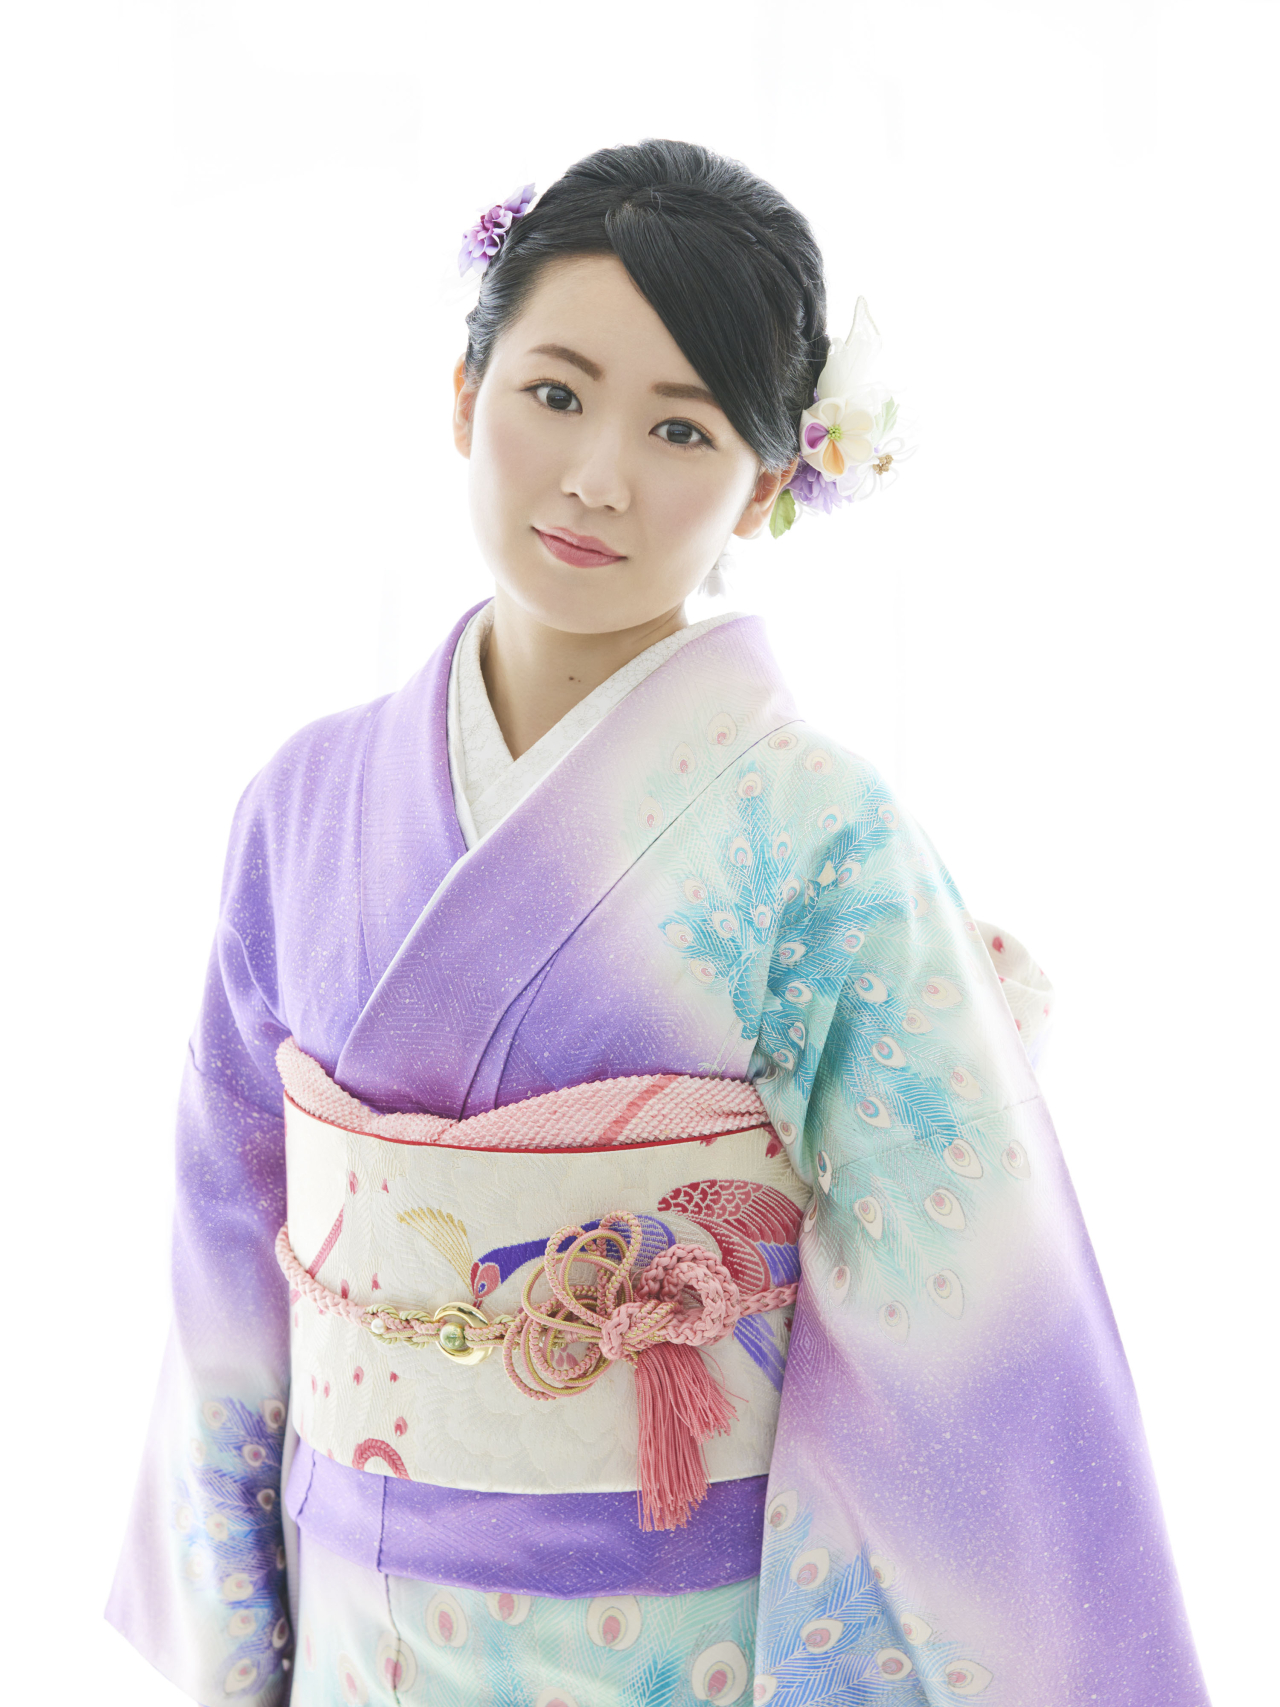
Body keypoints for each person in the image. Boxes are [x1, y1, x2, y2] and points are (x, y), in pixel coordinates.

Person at [108, 139, 1207, 1707]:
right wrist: (239, 1629)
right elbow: (225, 1228)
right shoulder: (301, 804)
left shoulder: (819, 835)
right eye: (555, 393)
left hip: (679, 1639)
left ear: (764, 484)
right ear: (464, 395)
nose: (599, 474)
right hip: (359, 1621)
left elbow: (964, 1287)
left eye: (679, 426)